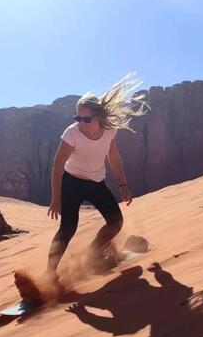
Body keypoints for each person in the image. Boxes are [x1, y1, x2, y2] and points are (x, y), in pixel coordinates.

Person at [47, 72, 148, 275]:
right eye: (78, 118)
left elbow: (114, 157)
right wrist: (56, 198)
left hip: (96, 183)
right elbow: (57, 166)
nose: (81, 123)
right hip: (72, 183)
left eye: (86, 119)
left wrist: (123, 185)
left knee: (116, 222)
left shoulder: (110, 130)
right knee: (68, 228)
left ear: (99, 117)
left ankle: (92, 254)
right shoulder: (72, 133)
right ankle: (49, 273)